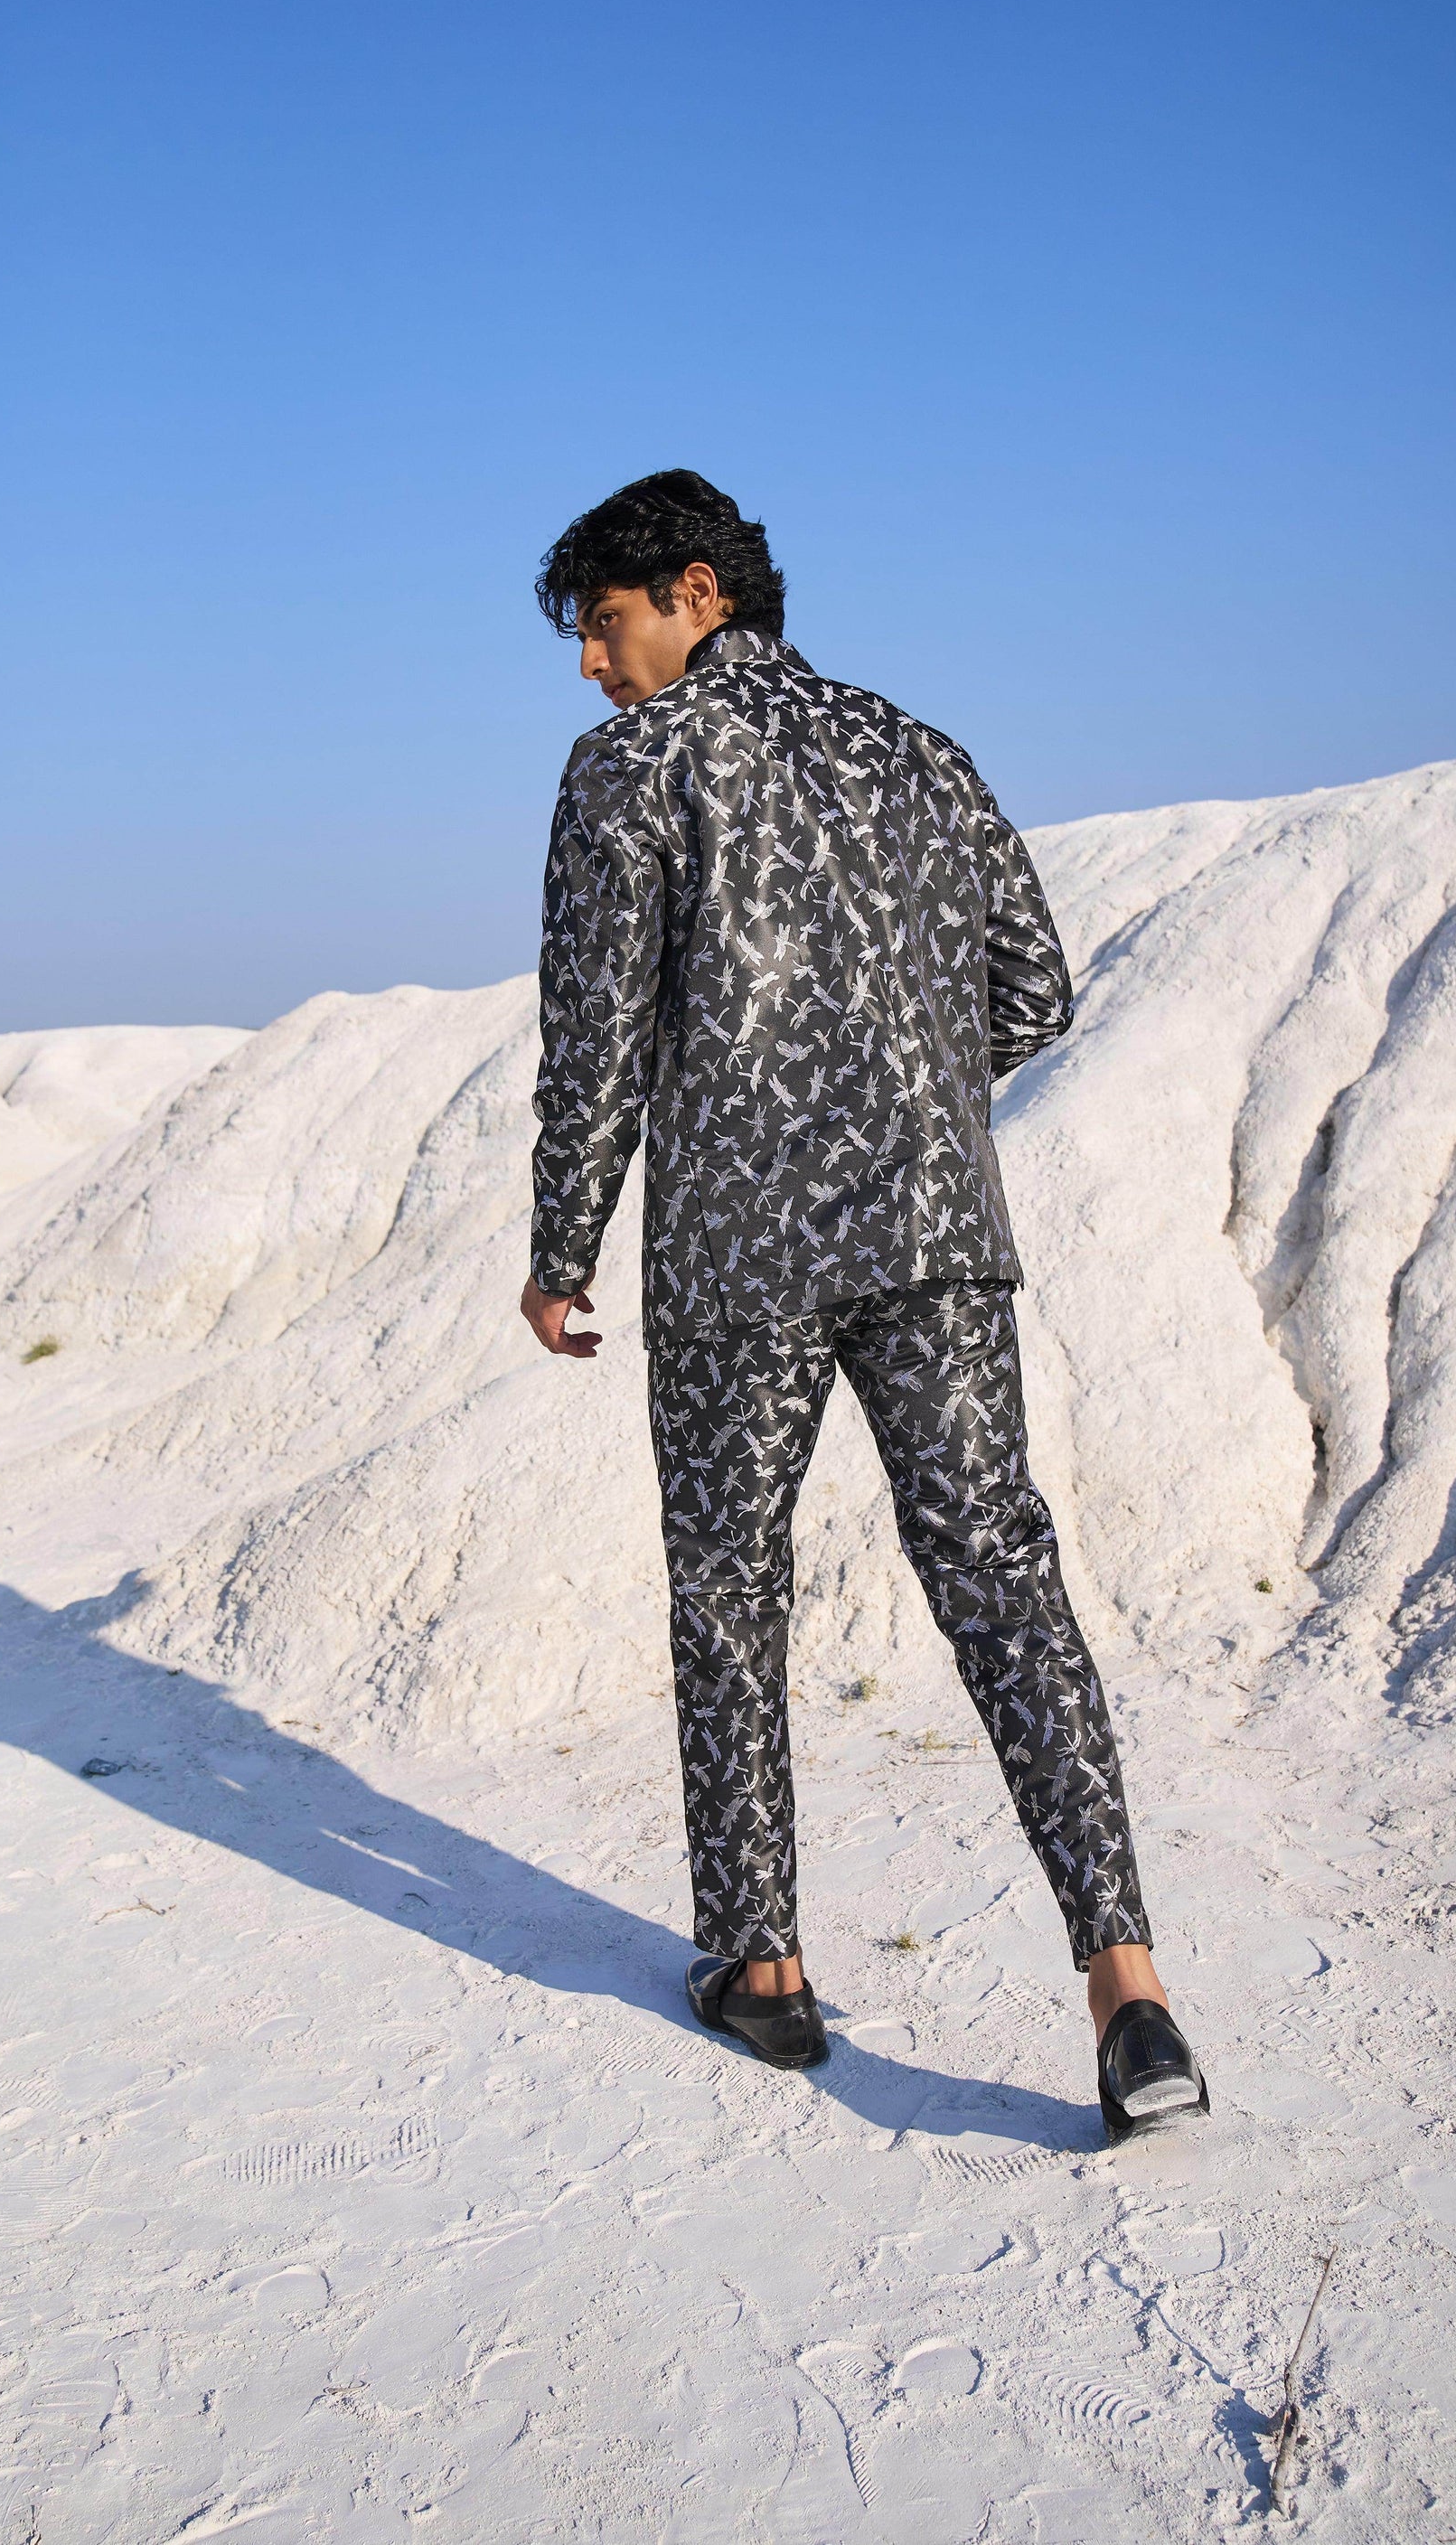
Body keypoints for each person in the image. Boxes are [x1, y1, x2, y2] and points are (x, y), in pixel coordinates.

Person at [519, 469, 1207, 2138]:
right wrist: (907, 1098)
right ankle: (1128, 1993)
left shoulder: (632, 769)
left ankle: (763, 1969)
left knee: (729, 1587)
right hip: (935, 1234)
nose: (593, 668)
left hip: (735, 1253)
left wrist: (560, 1247)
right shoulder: (919, 750)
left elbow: (595, 1032)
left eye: (604, 626)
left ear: (696, 592)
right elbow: (1035, 989)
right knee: (1001, 1577)